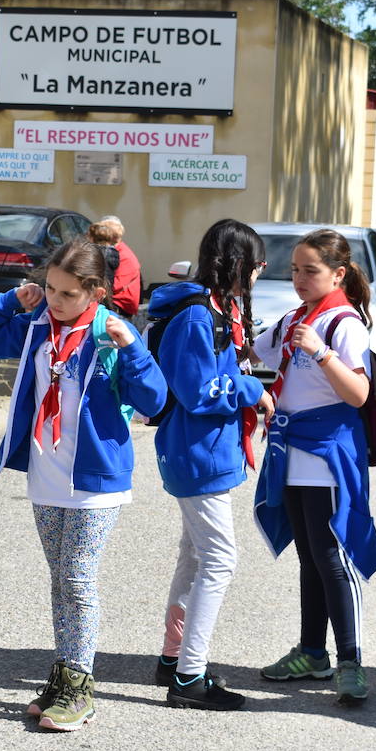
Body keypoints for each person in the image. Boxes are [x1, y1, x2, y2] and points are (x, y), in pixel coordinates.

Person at [0, 240, 167, 731]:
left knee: (77, 577)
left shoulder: (110, 334)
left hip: (95, 478)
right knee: (59, 581)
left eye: (67, 293)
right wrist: (12, 300)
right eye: (50, 287)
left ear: (94, 291)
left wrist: (133, 348)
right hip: (47, 473)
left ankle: (80, 685)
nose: (55, 298)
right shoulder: (36, 326)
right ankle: (63, 676)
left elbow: (155, 400)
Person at [149, 219, 274, 711]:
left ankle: (173, 657)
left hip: (207, 450)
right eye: (259, 266)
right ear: (241, 264)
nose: (260, 275)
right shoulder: (198, 317)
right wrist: (252, 390)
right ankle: (189, 677)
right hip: (196, 451)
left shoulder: (216, 309)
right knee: (220, 560)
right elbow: (198, 391)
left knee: (196, 557)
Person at [254, 229, 376, 706]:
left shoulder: (343, 323)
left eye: (311, 271)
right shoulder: (294, 318)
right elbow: (254, 355)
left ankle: (351, 661)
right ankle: (312, 652)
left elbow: (358, 394)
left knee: (333, 556)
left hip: (328, 452)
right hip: (292, 452)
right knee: (308, 555)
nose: (300, 279)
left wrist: (320, 352)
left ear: (338, 274)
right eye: (294, 270)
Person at [87, 216, 142, 319]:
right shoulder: (112, 251)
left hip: (120, 305)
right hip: (109, 298)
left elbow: (115, 286)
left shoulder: (124, 255)